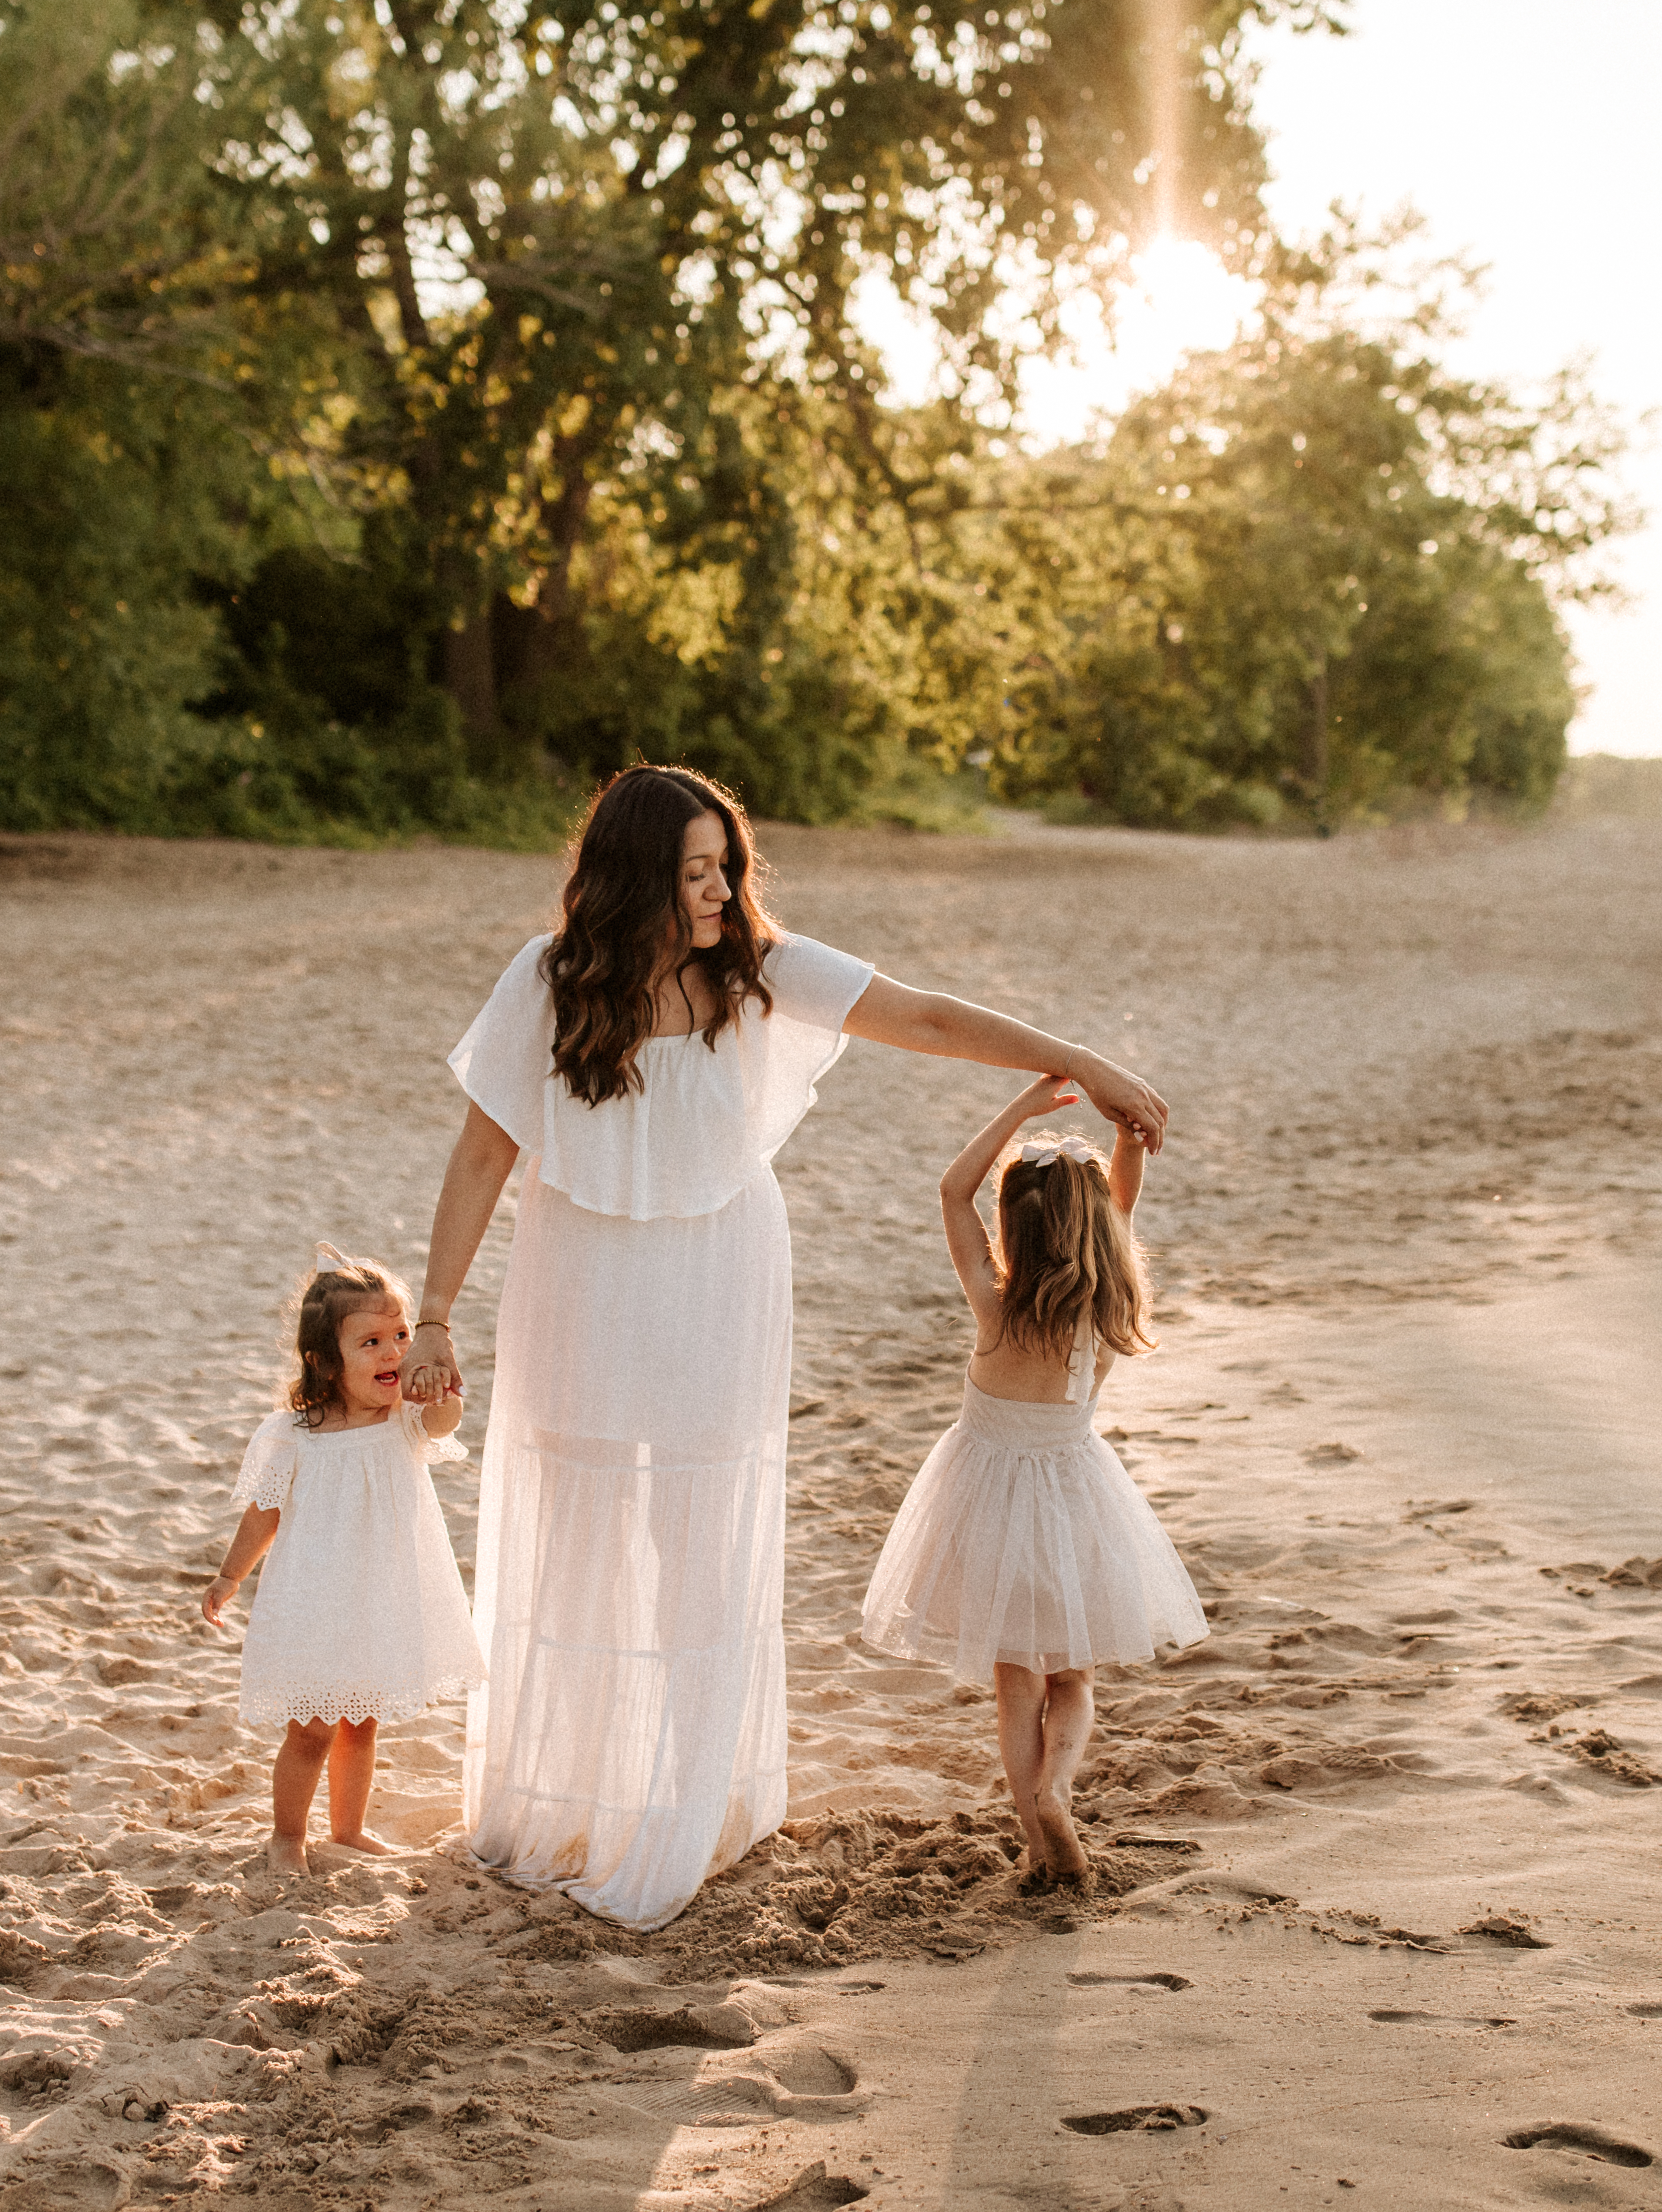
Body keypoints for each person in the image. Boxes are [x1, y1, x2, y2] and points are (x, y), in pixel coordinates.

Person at [398, 763, 1168, 1931]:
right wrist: (437, 1310)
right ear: (633, 876)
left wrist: (1082, 1061)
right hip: (580, 1274)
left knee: (698, 1528)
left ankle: (691, 1796)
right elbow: (478, 1156)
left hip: (721, 1270)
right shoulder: (549, 982)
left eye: (725, 866)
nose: (718, 889)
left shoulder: (757, 966)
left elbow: (919, 1013)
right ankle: (579, 1786)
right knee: (584, 1514)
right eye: (695, 870)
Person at [858, 1076, 1208, 1888]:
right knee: (1072, 1677)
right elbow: (1119, 1208)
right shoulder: (1108, 1303)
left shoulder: (996, 1303)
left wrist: (1021, 1110)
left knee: (1015, 1684)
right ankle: (1058, 1789)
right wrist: (1125, 1138)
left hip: (985, 1504)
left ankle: (1035, 1840)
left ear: (1012, 1222)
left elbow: (953, 1190)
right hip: (1078, 1504)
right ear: (1096, 1232)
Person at [203, 1249, 480, 1875]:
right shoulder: (294, 1434)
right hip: (317, 1600)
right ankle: (287, 1836)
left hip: (380, 1595)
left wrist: (440, 1382)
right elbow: (264, 1512)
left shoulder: (406, 1419)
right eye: (372, 1341)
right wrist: (230, 1575)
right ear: (323, 1361)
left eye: (401, 1337)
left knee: (361, 1720)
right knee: (312, 1730)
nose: (392, 1352)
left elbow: (446, 1422)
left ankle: (349, 1829)